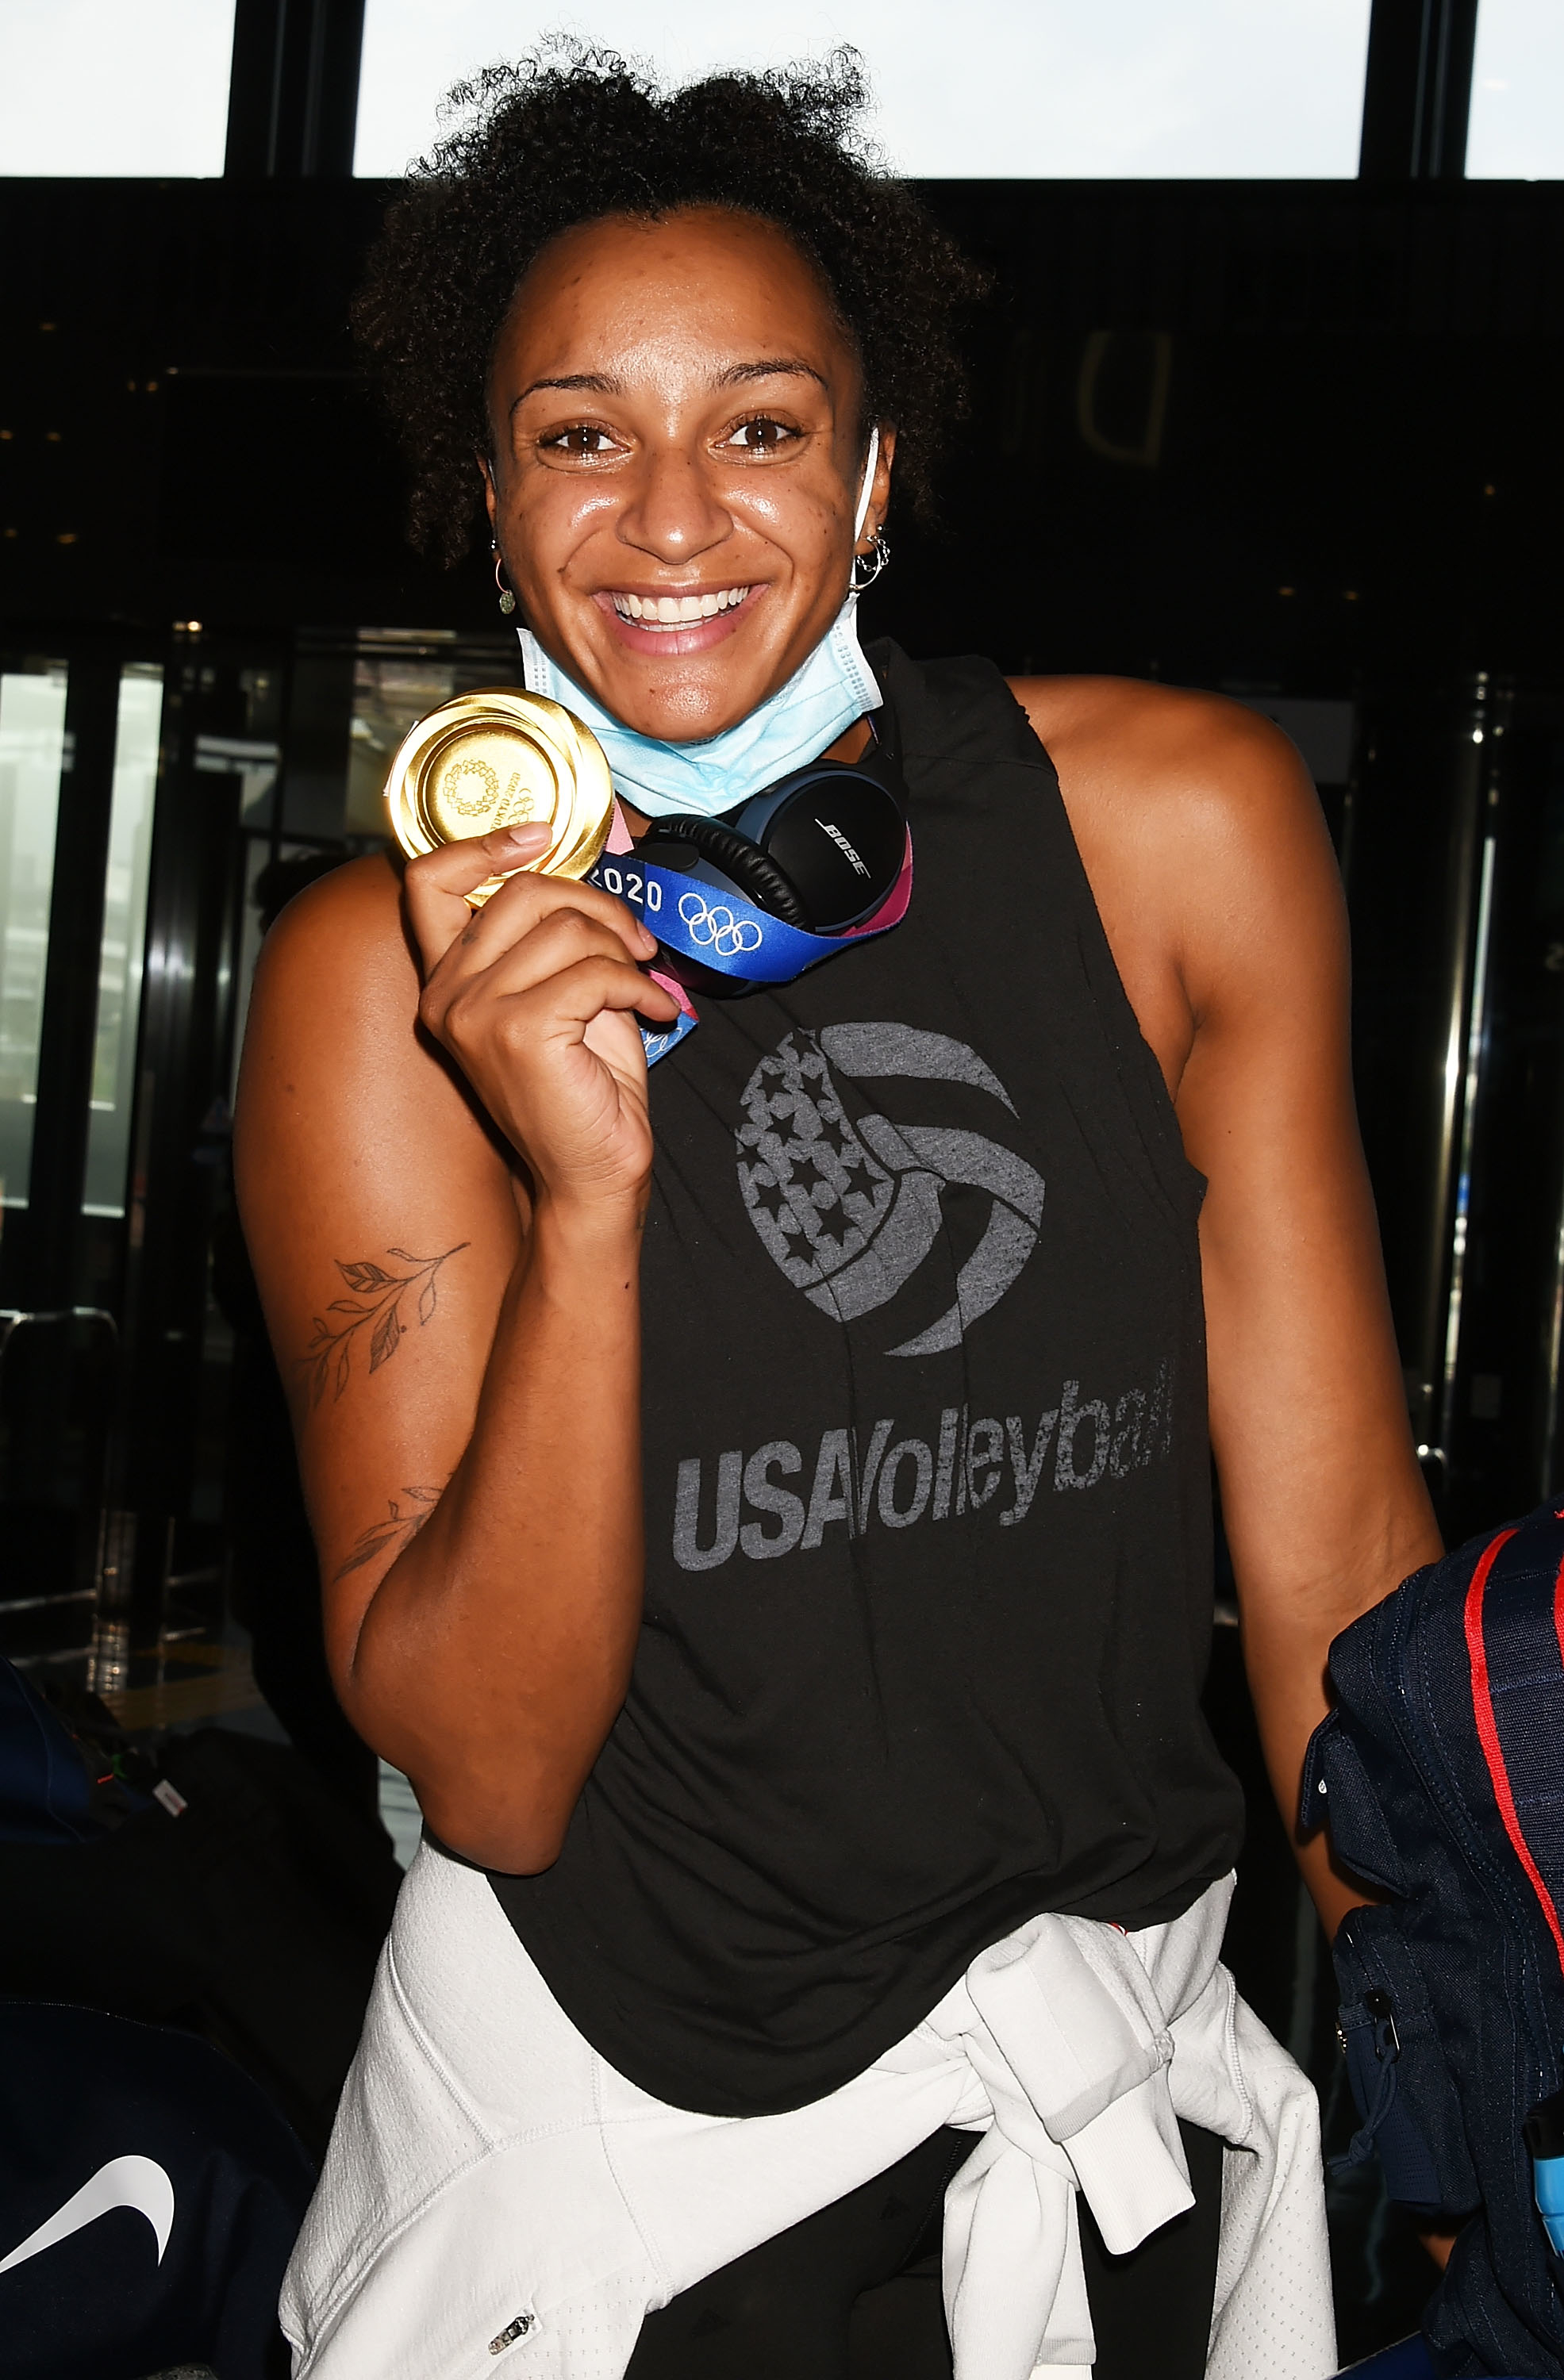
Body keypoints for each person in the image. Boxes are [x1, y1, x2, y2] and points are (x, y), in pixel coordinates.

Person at [234, 46, 1441, 2380]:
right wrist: (587, 1198)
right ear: (488, 496)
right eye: (580, 432)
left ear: (876, 478)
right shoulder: (370, 985)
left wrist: (1468, 2061)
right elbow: (483, 1765)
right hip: (633, 2159)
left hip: (1112, 2096)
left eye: (761, 426)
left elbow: (1339, 1565)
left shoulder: (1173, 828)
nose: (670, 516)